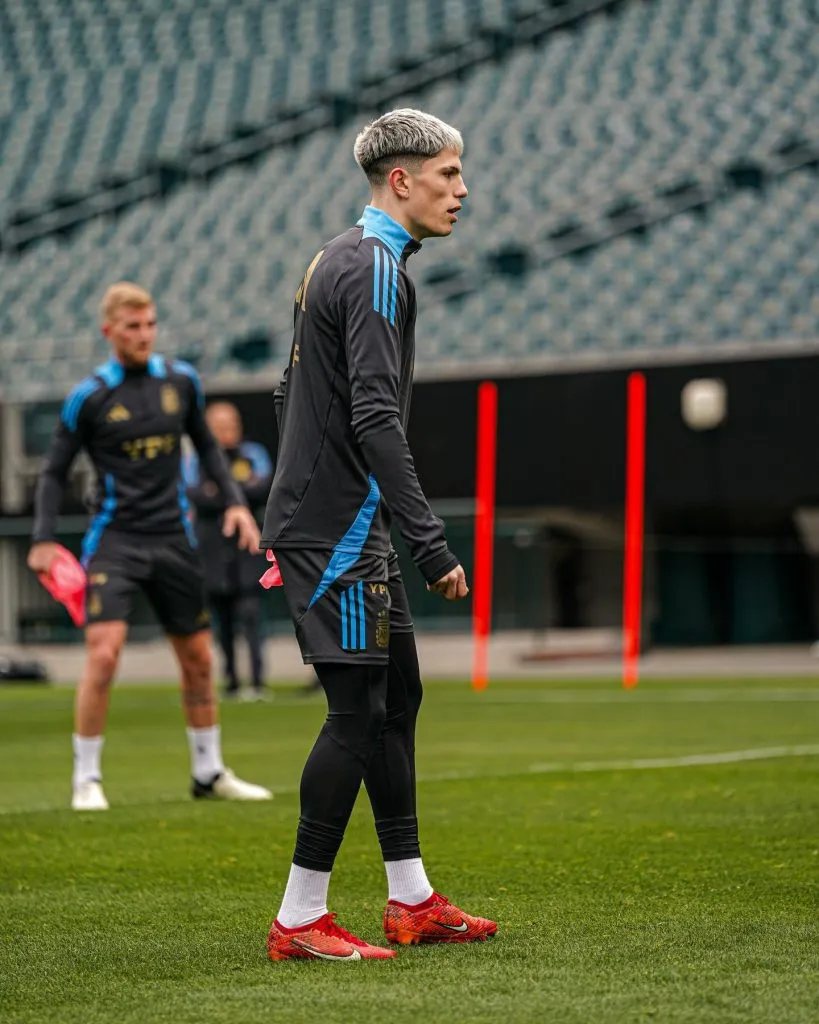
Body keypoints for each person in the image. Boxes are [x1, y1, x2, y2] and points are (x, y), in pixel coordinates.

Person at [261, 108, 497, 962]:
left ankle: (410, 899)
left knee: (396, 701)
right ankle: (299, 917)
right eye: (448, 175)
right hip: (340, 533)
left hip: (329, 525)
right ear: (401, 180)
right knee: (356, 714)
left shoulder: (338, 256)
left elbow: (287, 393)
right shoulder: (375, 269)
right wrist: (427, 540)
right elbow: (371, 416)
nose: (461, 190)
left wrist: (287, 512)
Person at [28, 283, 272, 811]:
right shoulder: (89, 396)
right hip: (115, 540)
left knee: (199, 660)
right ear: (109, 331)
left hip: (173, 540)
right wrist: (43, 540)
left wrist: (234, 503)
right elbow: (52, 472)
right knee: (105, 654)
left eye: (150, 324)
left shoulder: (181, 382)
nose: (144, 335)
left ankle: (208, 771)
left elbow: (207, 447)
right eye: (132, 327)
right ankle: (86, 778)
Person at [184, 402, 272, 701]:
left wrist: (221, 492)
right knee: (220, 618)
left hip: (247, 545)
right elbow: (194, 495)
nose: (225, 432)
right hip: (211, 547)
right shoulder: (194, 460)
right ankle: (231, 681)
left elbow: (262, 488)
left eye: (229, 425)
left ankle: (258, 681)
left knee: (250, 613)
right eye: (218, 426)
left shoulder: (254, 454)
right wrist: (236, 491)